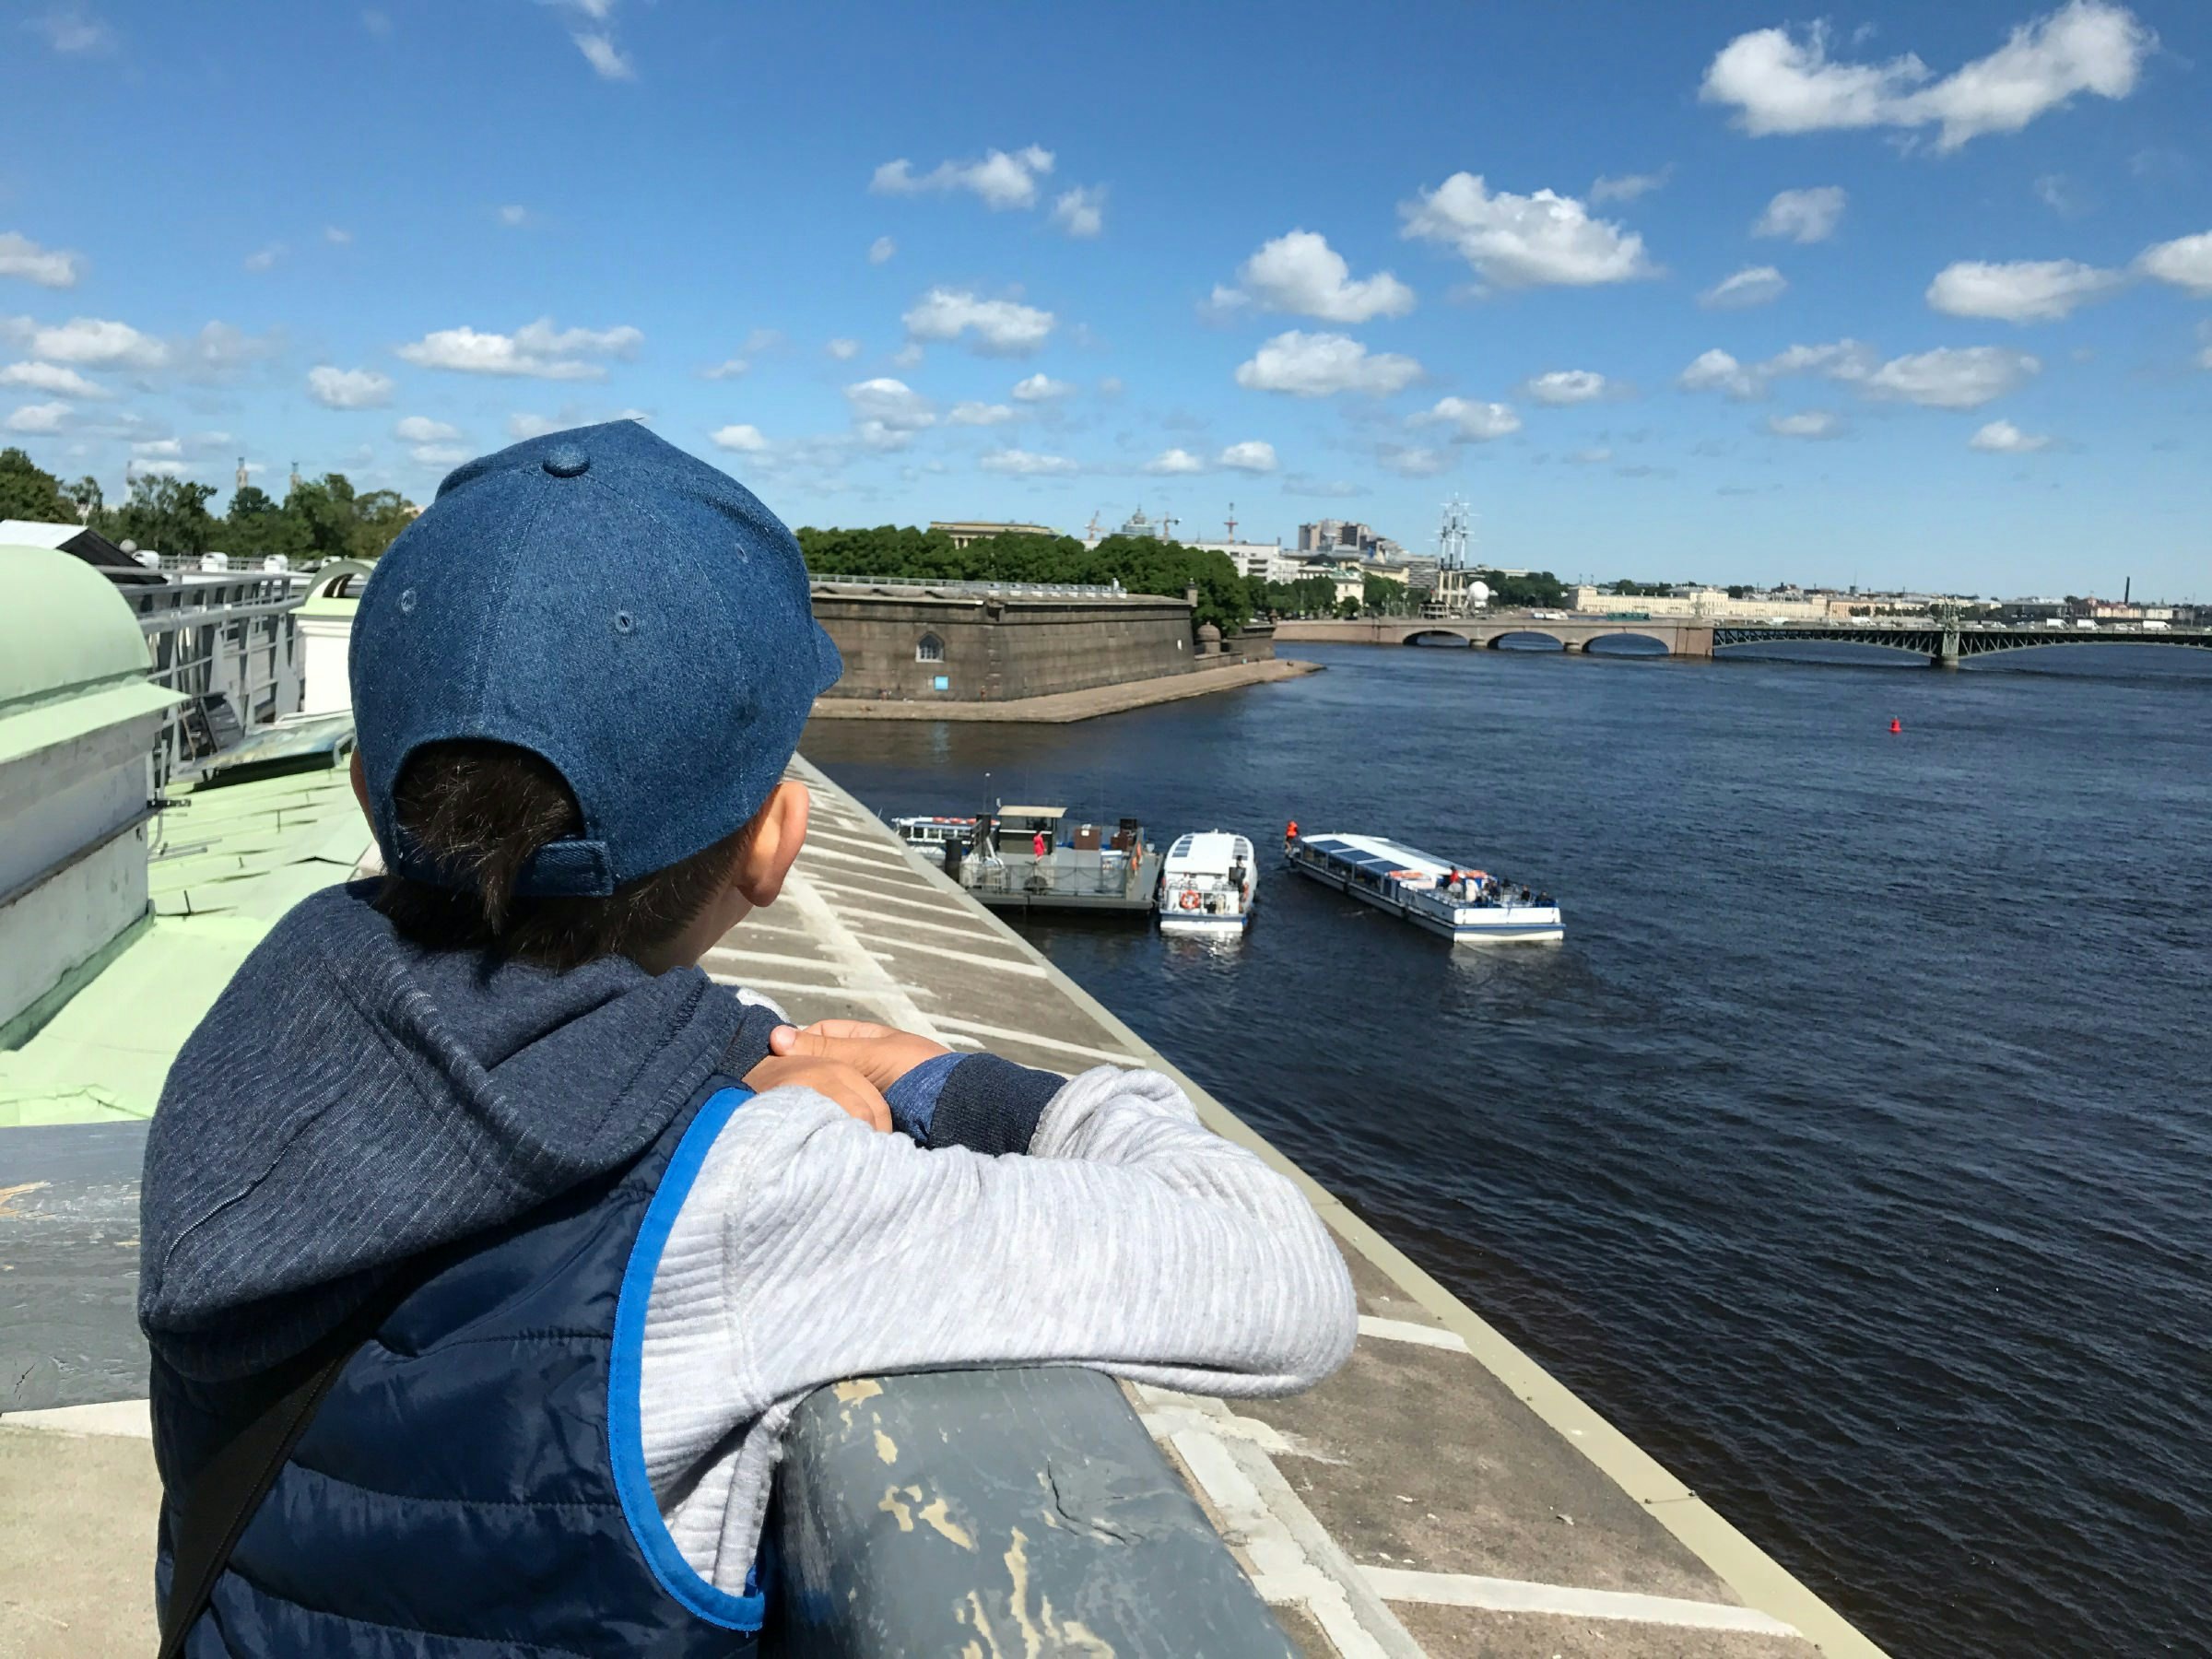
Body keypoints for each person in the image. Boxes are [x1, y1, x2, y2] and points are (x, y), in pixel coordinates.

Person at [136, 423, 1355, 1654]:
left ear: (366, 790)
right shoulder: (750, 1206)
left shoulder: (251, 1036)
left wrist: (746, 1074)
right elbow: (1282, 1276)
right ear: (775, 845)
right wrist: (949, 1085)